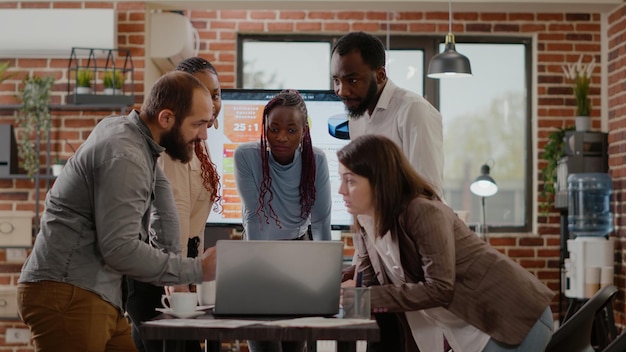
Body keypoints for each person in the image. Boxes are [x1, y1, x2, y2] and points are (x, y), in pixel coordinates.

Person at [17, 71, 217, 352]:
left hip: (96, 294)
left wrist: (177, 275)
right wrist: (197, 270)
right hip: (69, 292)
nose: (204, 134)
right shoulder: (125, 155)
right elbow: (119, 248)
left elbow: (164, 206)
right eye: (198, 124)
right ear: (166, 118)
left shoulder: (138, 142)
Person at [337, 134, 555, 352]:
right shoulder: (366, 223)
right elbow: (367, 285)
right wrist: (336, 288)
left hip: (510, 317)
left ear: (379, 180)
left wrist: (362, 296)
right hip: (470, 327)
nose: (341, 190)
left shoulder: (422, 211)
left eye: (350, 180)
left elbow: (440, 288)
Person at [125, 57, 223, 352]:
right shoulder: (173, 147)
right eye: (203, 94)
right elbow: (171, 222)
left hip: (179, 274)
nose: (212, 103)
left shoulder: (196, 137)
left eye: (216, 94)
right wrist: (180, 287)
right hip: (162, 280)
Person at [233, 89, 332, 352]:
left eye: (291, 130)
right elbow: (253, 215)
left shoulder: (317, 160)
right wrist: (260, 268)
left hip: (297, 257)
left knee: (294, 345)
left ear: (304, 131)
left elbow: (321, 222)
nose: (281, 137)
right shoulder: (246, 156)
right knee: (264, 344)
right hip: (256, 255)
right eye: (273, 128)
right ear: (264, 127)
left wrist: (325, 278)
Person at [330, 31, 444, 198]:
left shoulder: (414, 110)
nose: (342, 91)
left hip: (411, 223)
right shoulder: (357, 117)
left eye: (352, 80)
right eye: (336, 81)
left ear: (380, 75)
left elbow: (429, 194)